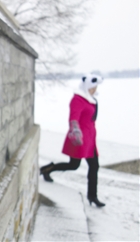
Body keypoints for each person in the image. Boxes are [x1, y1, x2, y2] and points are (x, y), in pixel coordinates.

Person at [40, 74, 106, 207]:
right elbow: (73, 118)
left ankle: (92, 196)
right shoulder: (78, 99)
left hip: (90, 139)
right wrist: (75, 131)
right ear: (86, 86)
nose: (94, 90)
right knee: (73, 165)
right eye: (92, 87)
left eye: (95, 87)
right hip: (78, 138)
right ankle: (47, 169)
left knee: (94, 166)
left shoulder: (92, 100)